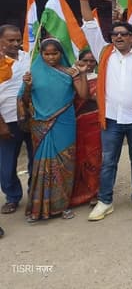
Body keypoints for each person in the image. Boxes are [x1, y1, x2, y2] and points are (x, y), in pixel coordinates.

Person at [79, 0, 132, 221]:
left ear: (131, 37)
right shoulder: (104, 52)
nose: (118, 37)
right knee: (108, 162)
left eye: (123, 34)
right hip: (112, 118)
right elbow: (90, 25)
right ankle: (105, 201)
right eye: (114, 34)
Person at [21, 38, 88, 221]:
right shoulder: (32, 73)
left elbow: (83, 94)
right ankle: (38, 209)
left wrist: (81, 74)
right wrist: (27, 86)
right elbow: (25, 100)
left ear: (61, 53)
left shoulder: (69, 73)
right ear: (41, 54)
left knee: (65, 163)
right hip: (40, 125)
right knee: (41, 164)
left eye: (55, 53)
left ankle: (63, 206)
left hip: (64, 122)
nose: (51, 57)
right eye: (46, 54)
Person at [0, 25, 32, 215]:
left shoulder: (29, 57)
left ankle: (34, 194)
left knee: (35, 160)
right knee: (7, 164)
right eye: (10, 40)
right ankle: (12, 197)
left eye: (18, 39)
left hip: (31, 117)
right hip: (7, 120)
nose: (15, 43)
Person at [70, 50, 102, 207]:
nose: (88, 64)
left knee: (94, 158)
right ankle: (78, 192)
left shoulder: (100, 78)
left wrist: (92, 97)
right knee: (77, 158)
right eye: (85, 61)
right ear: (79, 61)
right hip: (76, 124)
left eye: (92, 61)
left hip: (95, 124)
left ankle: (94, 192)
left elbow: (103, 99)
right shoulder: (72, 77)